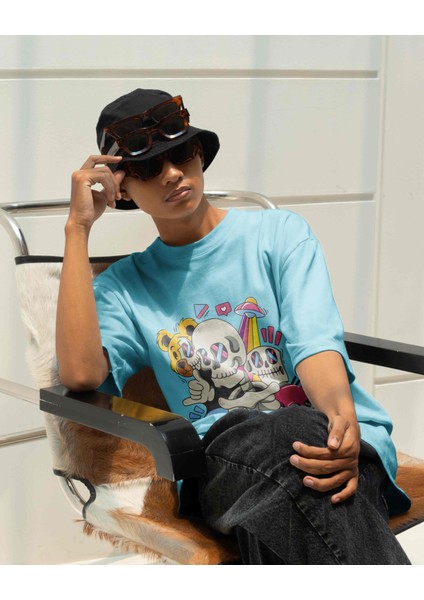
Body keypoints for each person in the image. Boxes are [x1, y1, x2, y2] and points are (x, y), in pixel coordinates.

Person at [56, 88, 411, 564]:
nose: (172, 173)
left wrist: (341, 429)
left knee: (291, 474)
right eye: (147, 168)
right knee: (283, 443)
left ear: (199, 154)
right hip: (223, 459)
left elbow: (313, 340)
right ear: (120, 189)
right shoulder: (125, 287)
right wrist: (77, 229)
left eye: (182, 154)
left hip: (330, 437)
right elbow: (80, 375)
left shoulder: (279, 234)